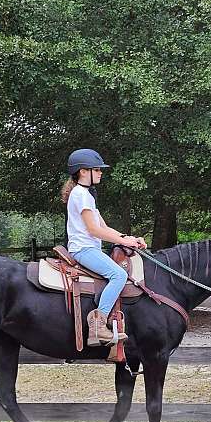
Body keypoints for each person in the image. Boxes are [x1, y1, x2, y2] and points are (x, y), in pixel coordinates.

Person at [61, 148, 147, 346]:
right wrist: (125, 242)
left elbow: (104, 227)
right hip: (83, 249)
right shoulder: (81, 195)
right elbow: (93, 230)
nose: (101, 173)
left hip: (89, 248)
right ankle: (98, 324)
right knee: (119, 275)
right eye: (97, 169)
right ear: (83, 171)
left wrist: (129, 238)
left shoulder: (86, 195)